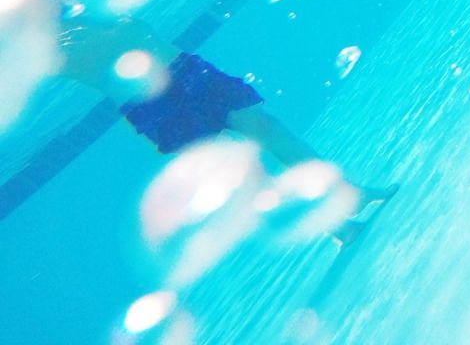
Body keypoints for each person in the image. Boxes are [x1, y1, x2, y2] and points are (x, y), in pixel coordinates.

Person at [57, 15, 394, 243]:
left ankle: (349, 195)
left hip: (186, 70)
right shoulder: (52, 47)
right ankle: (336, 225)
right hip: (152, 104)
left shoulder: (86, 4)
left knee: (270, 130)